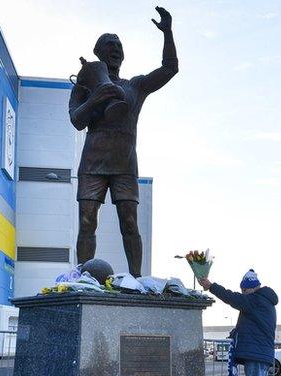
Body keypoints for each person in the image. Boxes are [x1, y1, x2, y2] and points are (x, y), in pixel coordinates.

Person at [69, 6, 178, 276]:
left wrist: (168, 33)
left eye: (119, 45)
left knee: (130, 223)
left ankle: (137, 279)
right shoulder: (85, 84)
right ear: (99, 53)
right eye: (109, 44)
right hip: (93, 162)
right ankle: (83, 277)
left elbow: (169, 68)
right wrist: (96, 97)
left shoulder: (135, 86)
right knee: (87, 222)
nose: (115, 48)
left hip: (125, 164)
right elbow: (76, 120)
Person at [198, 270, 278, 376]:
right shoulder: (265, 301)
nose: (242, 293)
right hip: (262, 355)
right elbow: (253, 325)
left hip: (256, 356)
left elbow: (231, 298)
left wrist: (211, 286)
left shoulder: (256, 300)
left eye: (244, 290)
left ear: (250, 288)